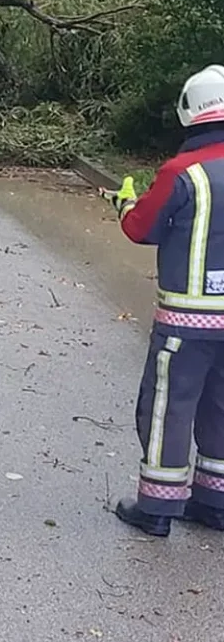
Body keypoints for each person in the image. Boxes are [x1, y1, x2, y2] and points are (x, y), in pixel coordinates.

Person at [112, 64, 224, 536]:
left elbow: (141, 228)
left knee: (170, 404)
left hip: (188, 317)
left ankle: (157, 507)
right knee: (221, 404)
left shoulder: (181, 172)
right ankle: (214, 501)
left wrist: (124, 204)